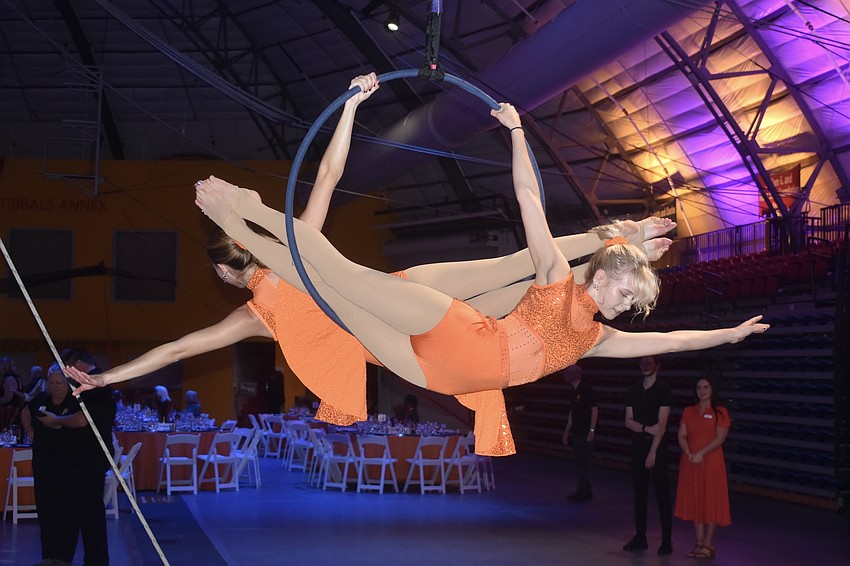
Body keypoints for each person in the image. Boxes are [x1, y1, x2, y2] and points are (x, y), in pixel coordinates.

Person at [65, 74, 678, 456]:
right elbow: (329, 175)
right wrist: (352, 107)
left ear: (230, 272)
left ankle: (621, 242)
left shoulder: (259, 316)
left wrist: (105, 379)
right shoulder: (287, 266)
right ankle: (621, 239)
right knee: (523, 264)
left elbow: (177, 349)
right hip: (408, 301)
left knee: (523, 270)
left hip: (404, 330)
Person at [185, 97, 768, 456]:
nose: (625, 307)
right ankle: (250, 212)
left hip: (435, 373)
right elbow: (527, 200)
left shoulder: (597, 336)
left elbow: (671, 339)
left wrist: (730, 335)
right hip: (455, 327)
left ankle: (253, 219)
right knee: (333, 279)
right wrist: (516, 132)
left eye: (633, 302)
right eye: (626, 293)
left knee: (333, 300)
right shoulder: (553, 280)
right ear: (607, 273)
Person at [21, 361, 116, 566]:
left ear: (68, 384)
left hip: (69, 466)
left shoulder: (75, 401)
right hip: (44, 464)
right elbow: (26, 412)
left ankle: (64, 558)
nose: (54, 387)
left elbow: (81, 421)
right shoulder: (42, 398)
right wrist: (31, 433)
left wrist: (57, 420)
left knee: (69, 515)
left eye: (58, 383)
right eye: (51, 382)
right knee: (47, 512)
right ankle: (50, 557)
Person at [674, 376, 731, 560]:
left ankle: (708, 543)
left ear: (712, 389)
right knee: (696, 498)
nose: (702, 390)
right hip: (691, 461)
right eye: (699, 387)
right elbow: (682, 434)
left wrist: (702, 453)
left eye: (706, 387)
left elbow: (720, 438)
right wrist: (689, 451)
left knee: (711, 499)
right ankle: (698, 542)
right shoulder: (688, 411)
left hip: (711, 462)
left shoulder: (720, 412)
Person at [623, 355, 673, 555]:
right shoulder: (633, 390)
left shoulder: (663, 390)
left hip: (657, 448)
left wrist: (653, 451)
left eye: (649, 363)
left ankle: (667, 540)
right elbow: (629, 421)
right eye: (642, 362)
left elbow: (661, 426)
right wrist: (645, 428)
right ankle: (640, 536)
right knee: (639, 495)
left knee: (662, 495)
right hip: (638, 445)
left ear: (657, 366)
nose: (645, 366)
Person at [560, 364, 597, 502]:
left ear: (574, 374)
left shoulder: (586, 389)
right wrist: (566, 431)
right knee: (579, 462)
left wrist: (591, 430)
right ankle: (585, 489)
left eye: (567, 373)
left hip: (585, 432)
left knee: (583, 463)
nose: (565, 376)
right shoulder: (573, 391)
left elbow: (594, 410)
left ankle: (582, 491)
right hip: (577, 432)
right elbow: (572, 413)